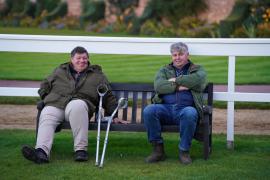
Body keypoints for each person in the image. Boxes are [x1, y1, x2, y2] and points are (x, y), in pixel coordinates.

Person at [21, 46, 126, 164]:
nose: (82, 61)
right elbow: (45, 85)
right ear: (71, 59)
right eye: (78, 58)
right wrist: (46, 98)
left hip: (80, 105)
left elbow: (108, 96)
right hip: (57, 104)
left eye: (85, 58)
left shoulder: (97, 76)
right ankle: (41, 152)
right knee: (47, 112)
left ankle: (80, 150)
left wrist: (113, 115)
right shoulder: (60, 71)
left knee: (77, 105)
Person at [143, 42, 207, 165]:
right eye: (174, 55)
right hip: (165, 108)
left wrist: (175, 80)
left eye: (181, 54)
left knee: (190, 113)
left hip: (185, 109)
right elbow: (159, 86)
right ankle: (158, 150)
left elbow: (199, 81)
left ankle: (184, 151)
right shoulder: (164, 70)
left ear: (187, 55)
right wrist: (179, 87)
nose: (177, 58)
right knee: (149, 110)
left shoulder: (197, 69)